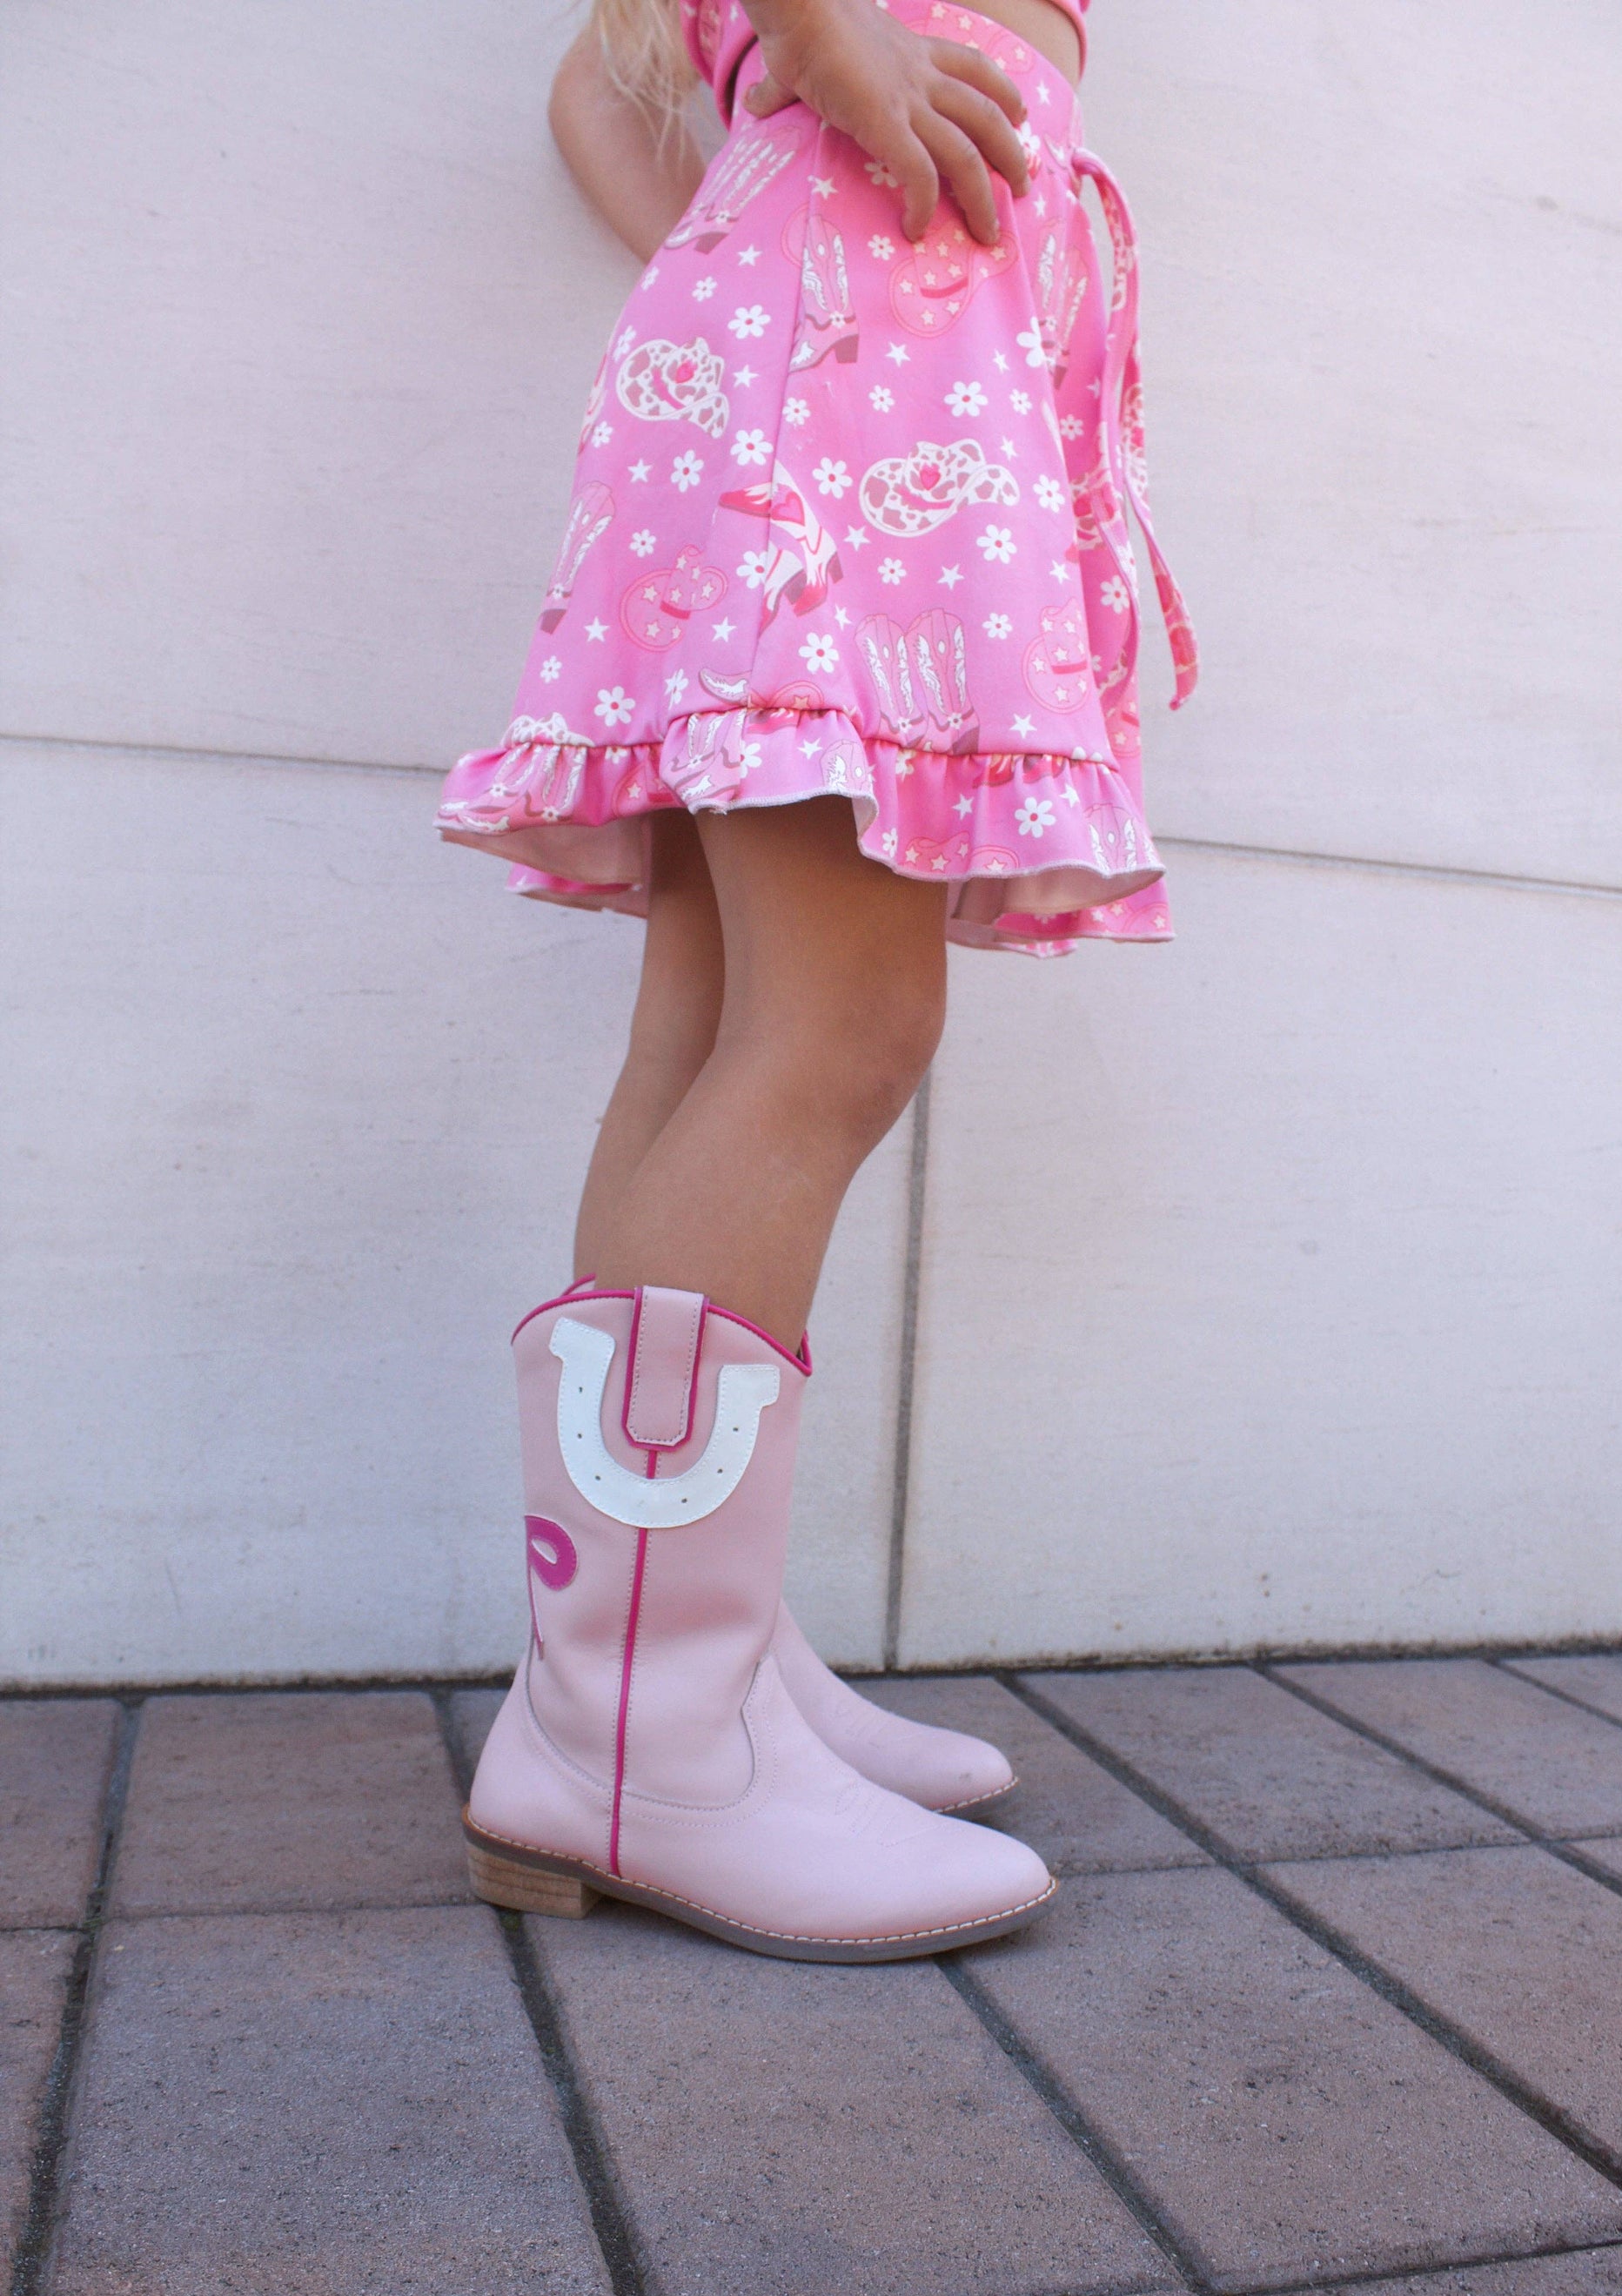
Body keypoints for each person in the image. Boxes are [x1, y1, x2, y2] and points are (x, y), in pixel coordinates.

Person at [438, 0, 1193, 1961]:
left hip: (826, 358)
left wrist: (739, 234)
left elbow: (581, 104)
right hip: (857, 382)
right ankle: (636, 1740)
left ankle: (700, 1674)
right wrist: (834, 55)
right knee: (841, 1026)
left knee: (710, 1026)